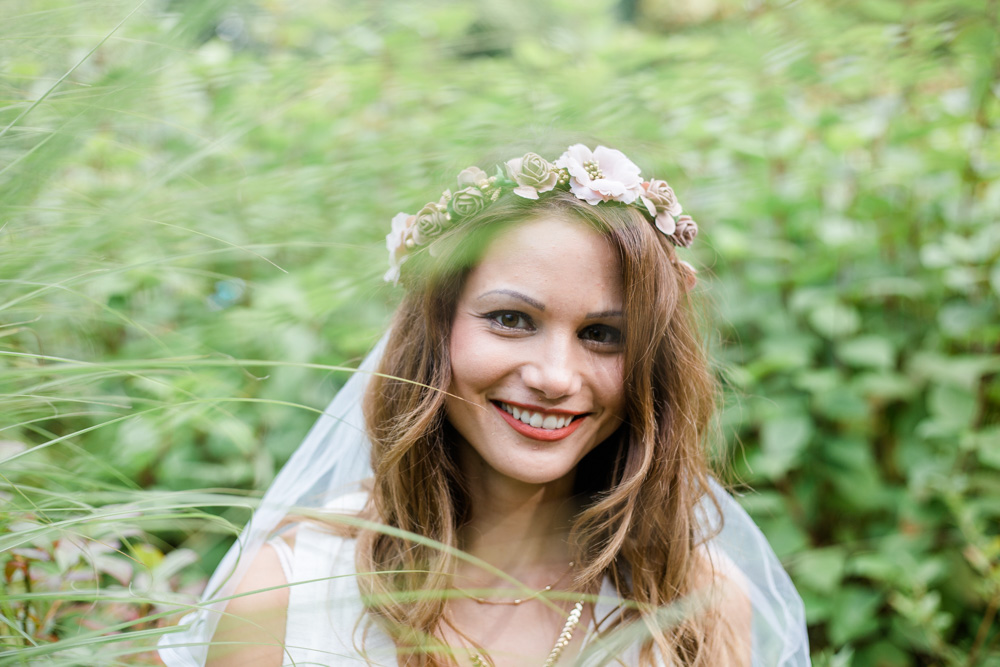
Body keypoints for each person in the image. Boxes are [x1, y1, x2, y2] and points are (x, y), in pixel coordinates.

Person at [159, 144, 809, 666]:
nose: (554, 377)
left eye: (603, 334)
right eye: (511, 319)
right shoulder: (286, 594)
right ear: (434, 330)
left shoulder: (695, 608)